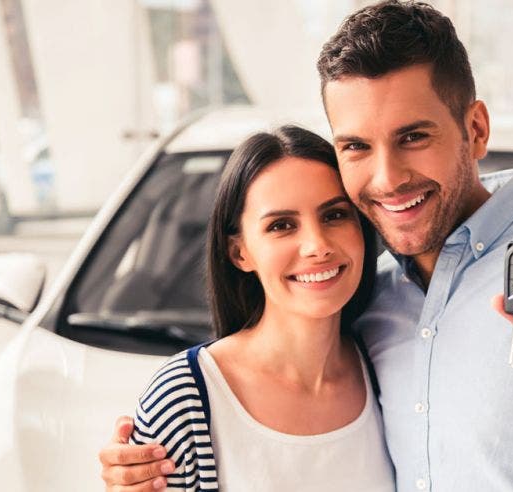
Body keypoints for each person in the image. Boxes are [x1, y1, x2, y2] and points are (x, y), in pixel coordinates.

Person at [101, 2, 513, 490]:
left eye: (413, 136)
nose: (386, 179)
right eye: (356, 147)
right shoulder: (367, 305)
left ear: (474, 128)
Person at [117, 125, 394, 491]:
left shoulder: (387, 365)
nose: (316, 245)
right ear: (240, 252)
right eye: (282, 225)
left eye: (334, 215)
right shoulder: (186, 399)